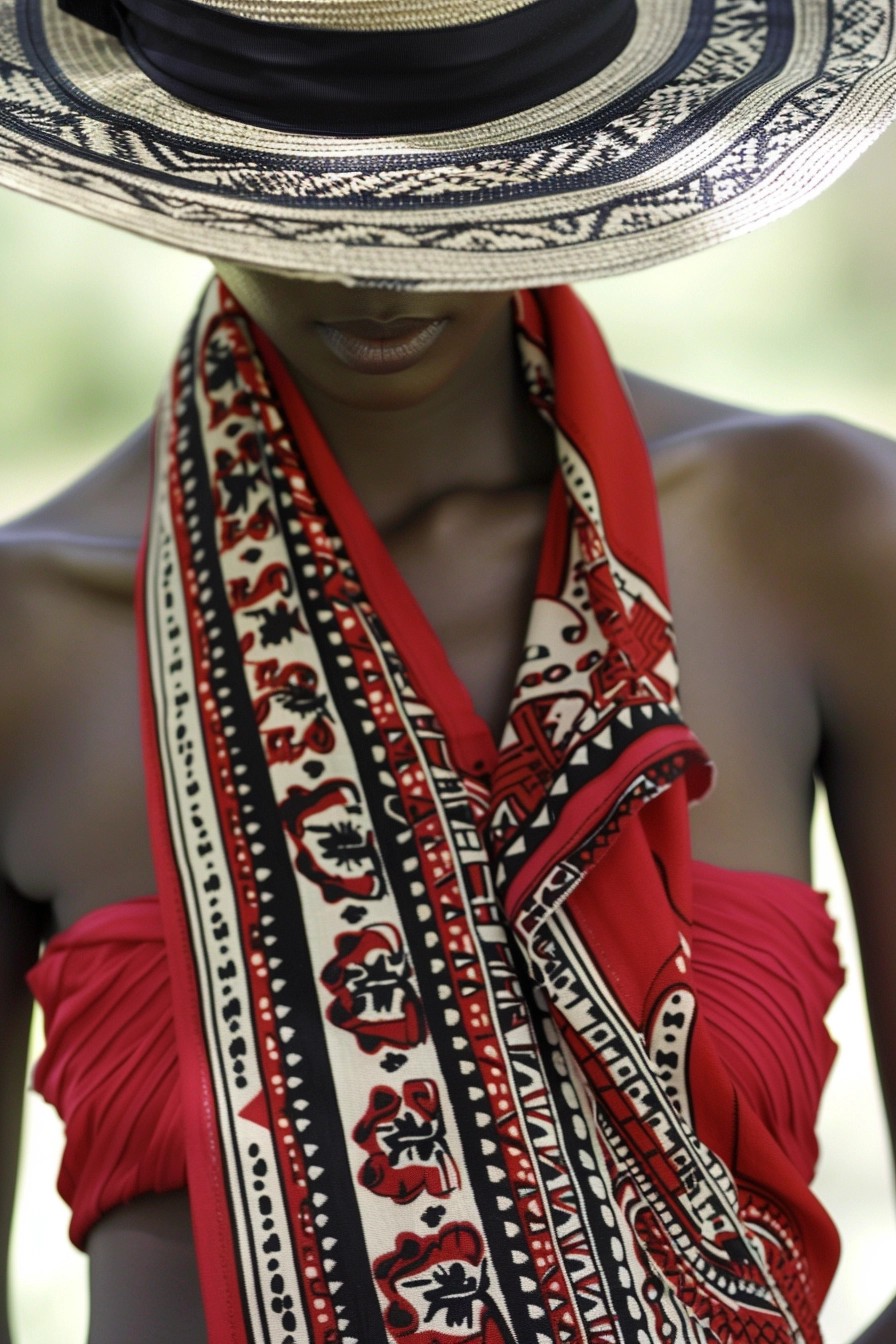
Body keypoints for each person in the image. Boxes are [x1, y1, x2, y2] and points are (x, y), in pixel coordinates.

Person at [0, 2, 895, 1342]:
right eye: (286, 189)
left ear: (571, 145)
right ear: (168, 152)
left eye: (454, 172)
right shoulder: (31, 641)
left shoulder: (812, 537)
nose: (373, 272)